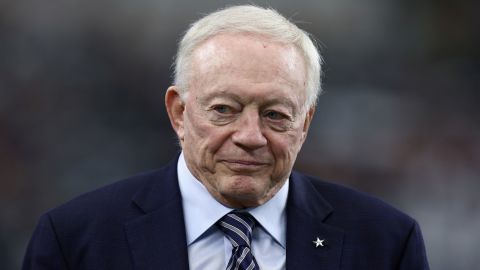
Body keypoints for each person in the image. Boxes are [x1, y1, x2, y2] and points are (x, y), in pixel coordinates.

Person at [22, 5, 429, 270]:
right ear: (179, 113)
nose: (250, 136)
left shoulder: (384, 243)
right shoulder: (76, 240)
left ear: (304, 124)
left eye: (275, 115)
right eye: (224, 110)